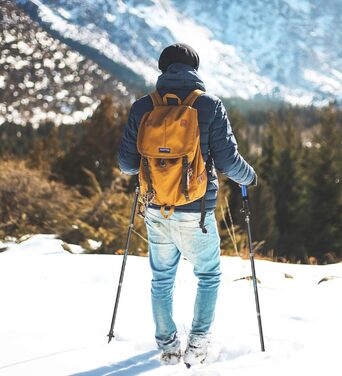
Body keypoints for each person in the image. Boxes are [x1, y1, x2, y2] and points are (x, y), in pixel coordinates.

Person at [118, 43, 256, 367]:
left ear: (163, 70)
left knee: (161, 278)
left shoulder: (142, 108)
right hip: (196, 212)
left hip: (155, 208)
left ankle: (167, 346)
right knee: (207, 275)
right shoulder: (208, 106)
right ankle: (197, 344)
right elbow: (227, 160)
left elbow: (126, 164)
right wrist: (249, 177)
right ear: (195, 69)